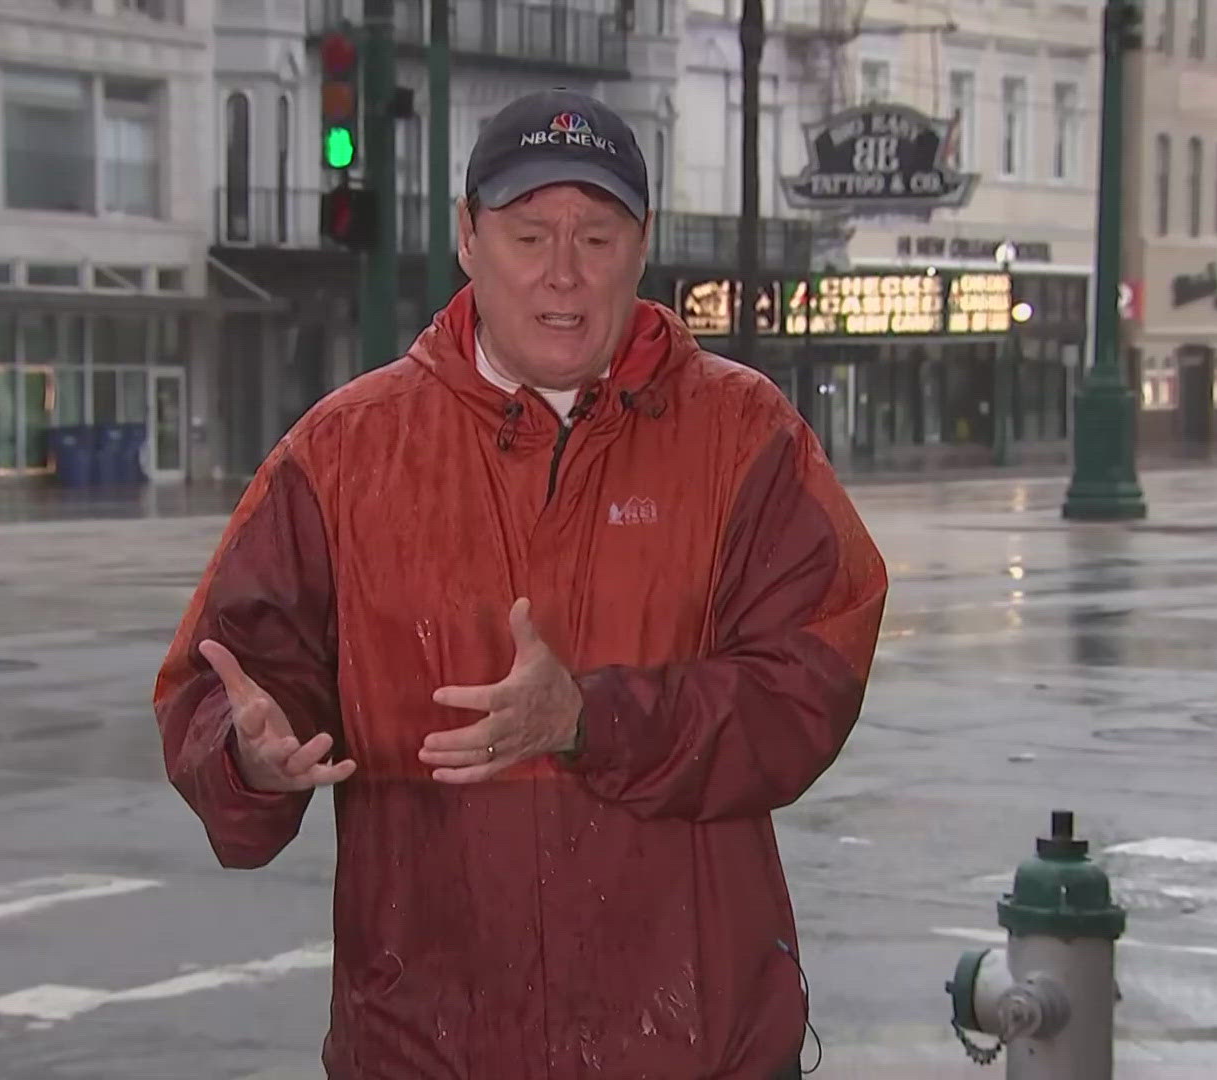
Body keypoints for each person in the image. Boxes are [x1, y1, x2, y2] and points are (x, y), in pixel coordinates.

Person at [154, 88, 888, 1079]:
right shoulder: (342, 452)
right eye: (528, 233)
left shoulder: (746, 437)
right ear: (466, 238)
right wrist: (248, 758)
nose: (563, 274)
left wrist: (592, 718)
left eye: (596, 235)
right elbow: (223, 683)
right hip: (426, 1049)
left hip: (693, 1049)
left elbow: (806, 691)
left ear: (643, 245)